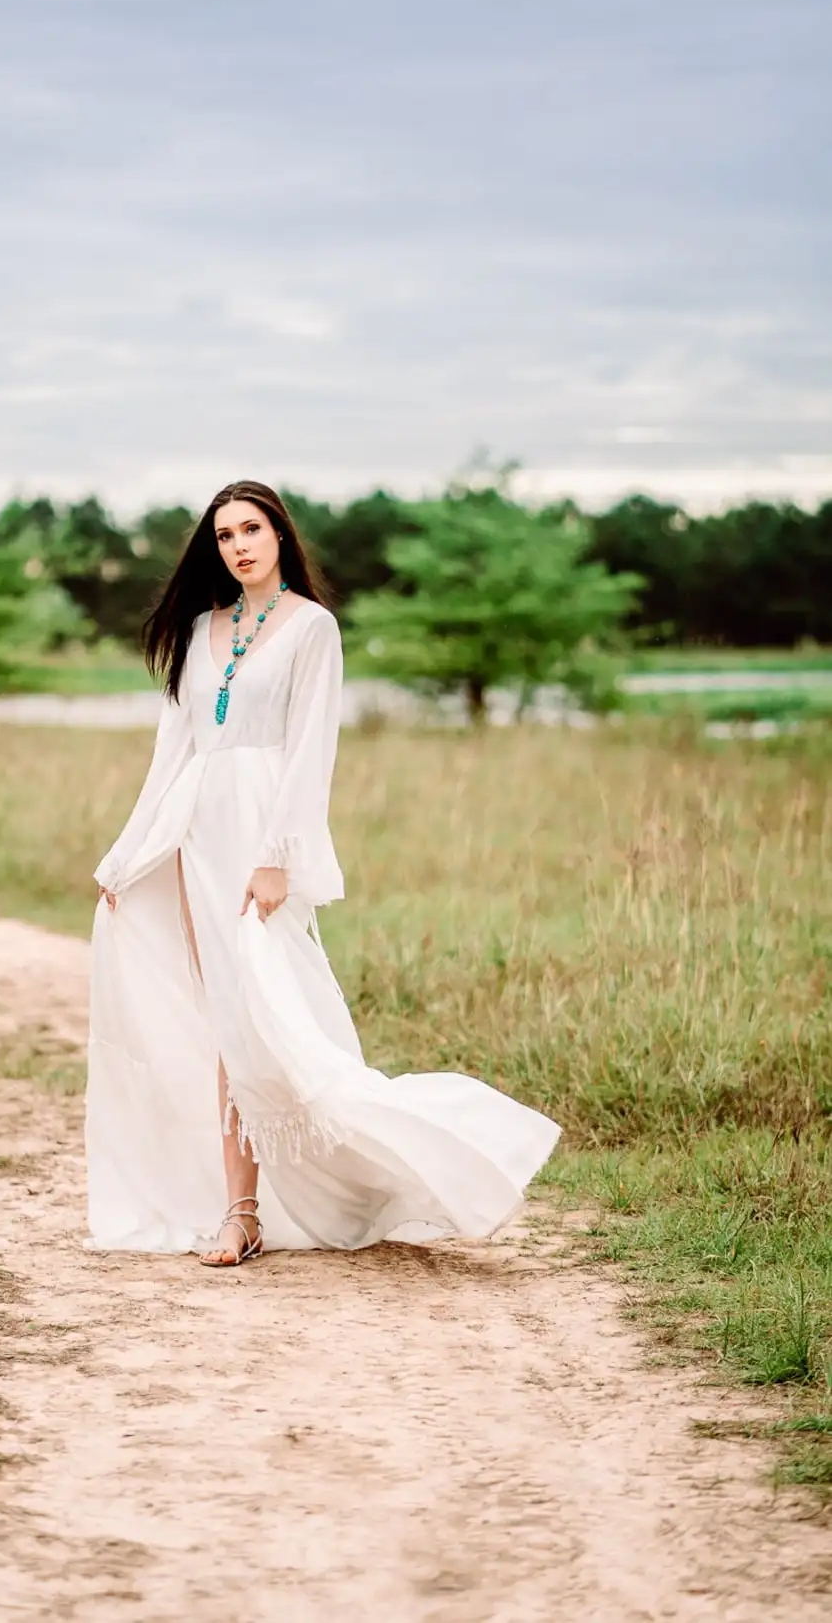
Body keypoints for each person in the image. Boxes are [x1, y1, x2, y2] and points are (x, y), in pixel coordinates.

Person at [88, 480, 559, 1266]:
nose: (238, 545)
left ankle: (384, 1170)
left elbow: (311, 755)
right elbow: (173, 754)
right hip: (197, 840)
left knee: (270, 1020)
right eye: (224, 536)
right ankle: (241, 1211)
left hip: (261, 844)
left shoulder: (313, 629)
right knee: (228, 1026)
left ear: (280, 536)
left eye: (251, 529)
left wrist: (278, 859)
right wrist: (128, 853)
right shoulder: (201, 629)